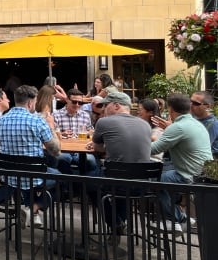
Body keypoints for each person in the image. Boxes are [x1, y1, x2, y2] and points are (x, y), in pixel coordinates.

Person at [89, 91, 157, 235]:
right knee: (123, 178)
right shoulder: (144, 124)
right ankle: (120, 222)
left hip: (117, 182)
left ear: (116, 105)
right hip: (144, 184)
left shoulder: (104, 122)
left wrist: (108, 145)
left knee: (90, 184)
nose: (103, 109)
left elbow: (97, 148)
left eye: (106, 105)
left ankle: (116, 223)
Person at [0, 84, 60, 229]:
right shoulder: (37, 121)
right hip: (33, 176)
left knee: (29, 173)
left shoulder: (0, 121)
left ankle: (29, 209)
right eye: (35, 102)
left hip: (9, 176)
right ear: (30, 103)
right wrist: (52, 128)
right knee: (63, 179)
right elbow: (55, 150)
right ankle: (35, 206)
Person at [150, 93, 212, 234]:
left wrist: (135, 141)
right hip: (202, 172)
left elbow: (154, 149)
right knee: (164, 171)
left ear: (171, 110)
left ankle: (171, 221)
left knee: (154, 180)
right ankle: (182, 218)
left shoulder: (177, 127)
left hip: (190, 175)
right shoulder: (195, 123)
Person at [52, 88, 98, 175]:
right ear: (67, 100)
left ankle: (86, 185)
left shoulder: (85, 115)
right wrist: (61, 134)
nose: (77, 105)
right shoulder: (56, 115)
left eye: (80, 103)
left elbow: (91, 130)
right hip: (63, 150)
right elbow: (51, 134)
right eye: (74, 102)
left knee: (91, 161)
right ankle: (66, 185)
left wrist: (90, 132)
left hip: (81, 150)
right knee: (62, 159)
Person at [189, 90, 218, 156]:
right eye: (190, 101)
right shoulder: (193, 118)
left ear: (207, 106)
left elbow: (200, 147)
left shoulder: (212, 124)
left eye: (195, 103)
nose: (191, 105)